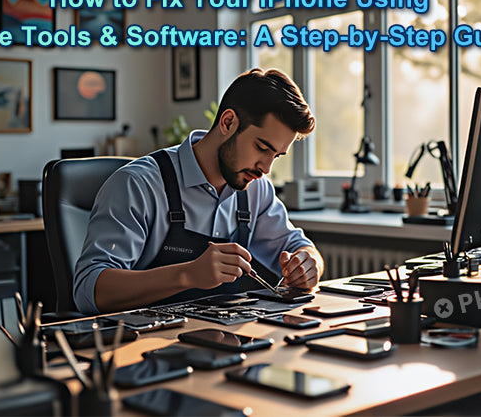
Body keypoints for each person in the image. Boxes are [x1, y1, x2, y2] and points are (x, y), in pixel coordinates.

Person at [73, 68, 324, 314]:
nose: (266, 168)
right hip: (143, 347)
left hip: (224, 344)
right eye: (261, 147)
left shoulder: (255, 189)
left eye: (276, 156)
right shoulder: (138, 184)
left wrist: (308, 262)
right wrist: (187, 274)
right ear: (228, 122)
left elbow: (299, 246)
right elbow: (89, 290)